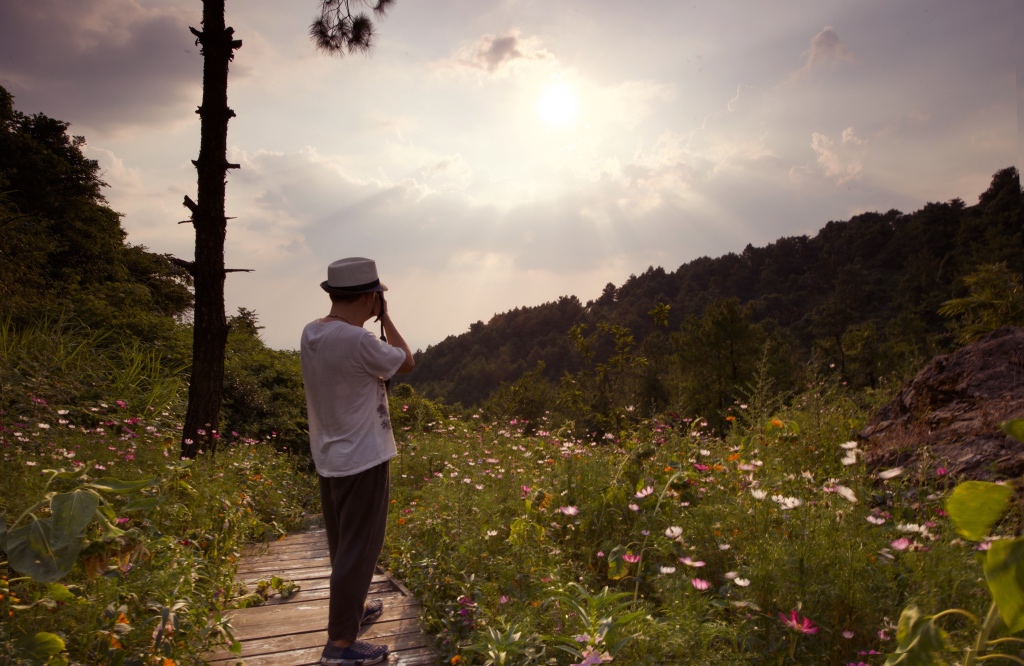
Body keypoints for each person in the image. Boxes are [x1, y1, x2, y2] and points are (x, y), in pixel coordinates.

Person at [300, 257, 414, 665]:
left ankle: (352, 610)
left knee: (343, 544)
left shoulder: (313, 332)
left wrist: (376, 313)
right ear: (370, 296)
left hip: (330, 457)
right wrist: (388, 318)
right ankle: (341, 646)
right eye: (378, 296)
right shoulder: (359, 341)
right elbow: (406, 361)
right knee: (360, 549)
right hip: (364, 458)